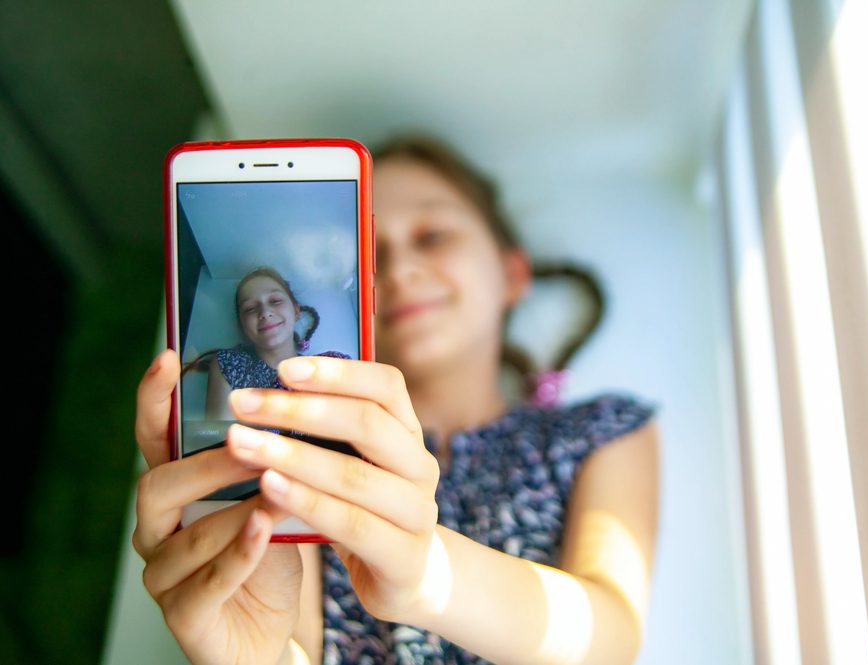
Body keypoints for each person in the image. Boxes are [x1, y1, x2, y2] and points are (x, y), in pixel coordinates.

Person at [133, 135, 659, 665]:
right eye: (372, 254)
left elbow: (610, 634)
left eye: (433, 236)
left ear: (512, 274)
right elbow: (298, 647)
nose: (400, 269)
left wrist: (430, 576)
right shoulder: (316, 450)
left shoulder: (602, 431)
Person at [198, 266, 352, 421]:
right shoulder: (228, 364)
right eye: (250, 308)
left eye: (275, 301)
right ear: (242, 326)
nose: (265, 313)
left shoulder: (329, 367)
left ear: (296, 311)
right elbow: (217, 438)